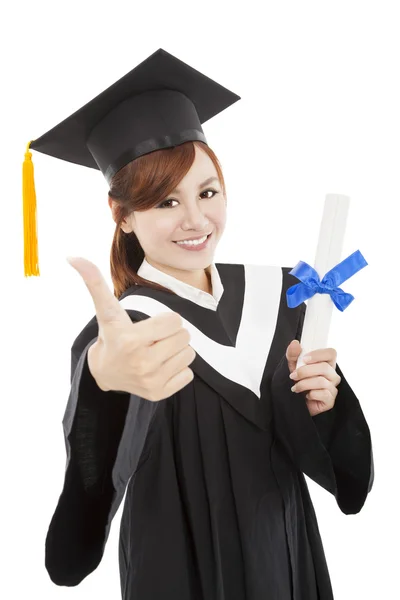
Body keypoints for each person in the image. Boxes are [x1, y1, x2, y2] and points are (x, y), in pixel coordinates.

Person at [25, 49, 374, 600]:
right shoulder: (125, 332)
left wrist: (324, 408)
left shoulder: (282, 294)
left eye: (207, 192)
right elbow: (77, 537)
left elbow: (350, 486)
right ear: (122, 214)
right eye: (165, 201)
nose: (195, 220)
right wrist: (102, 385)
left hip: (285, 561)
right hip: (177, 568)